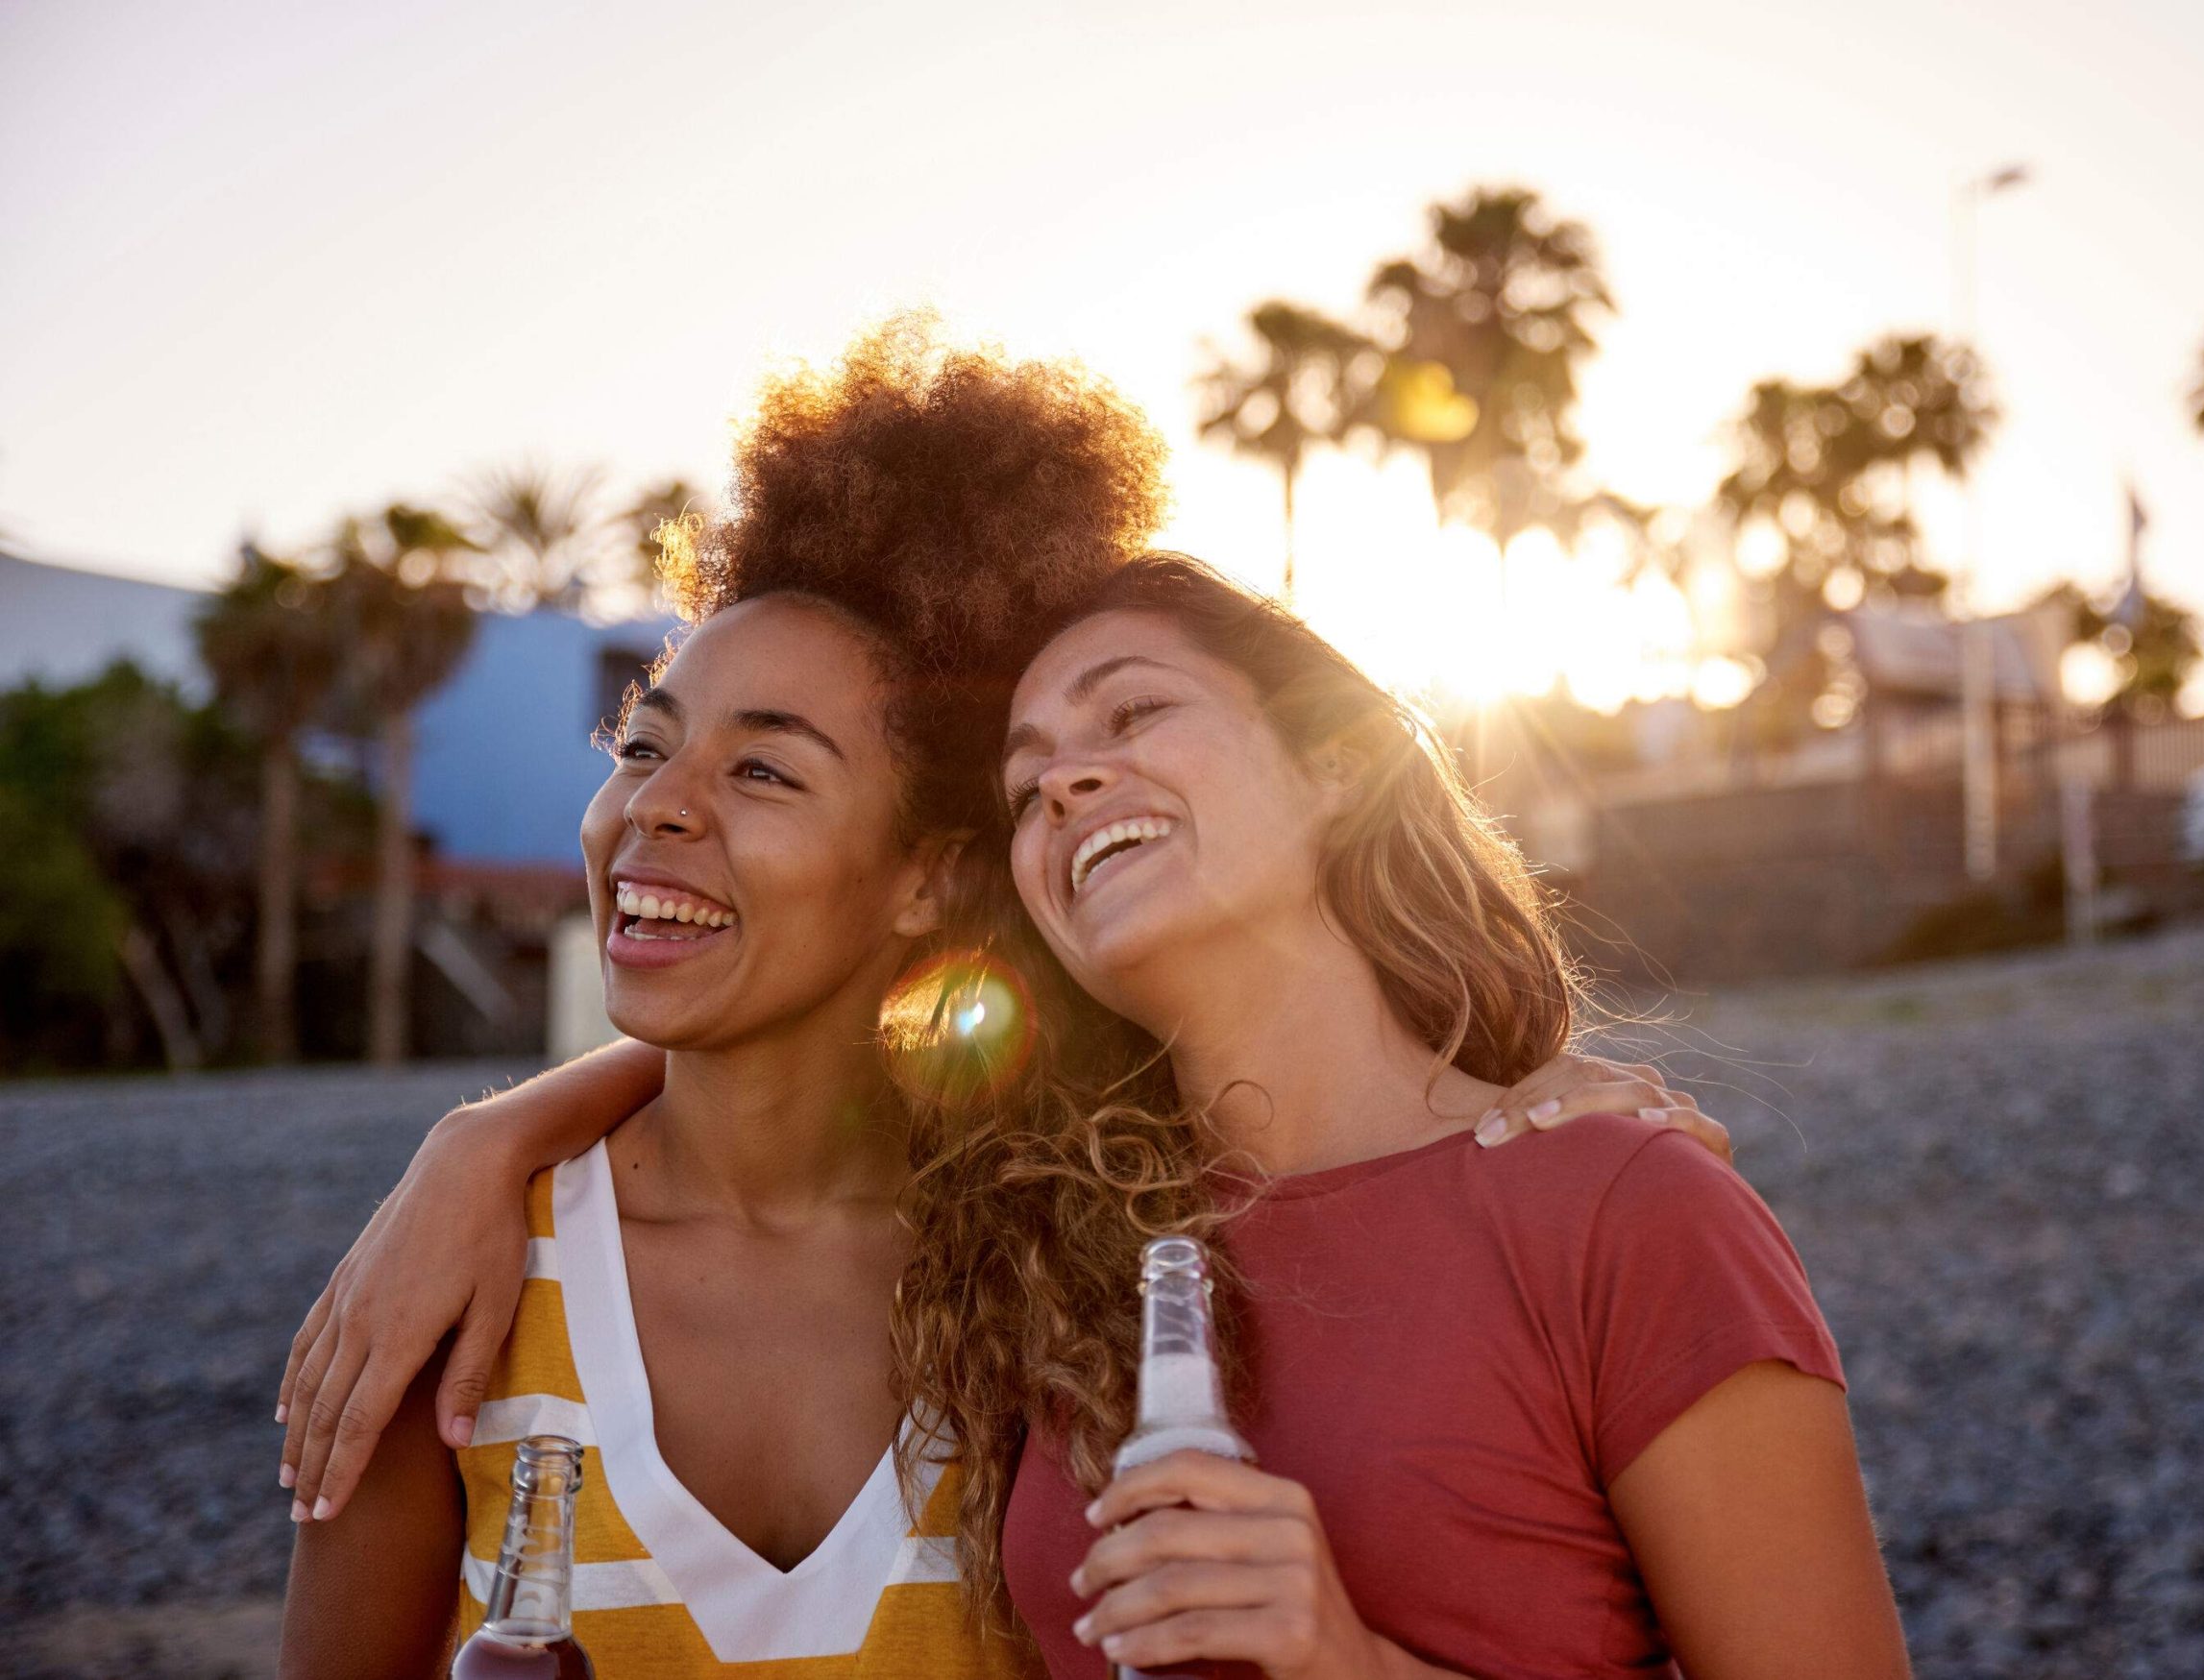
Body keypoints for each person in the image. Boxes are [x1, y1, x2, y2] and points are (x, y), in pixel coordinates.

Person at [273, 327, 1717, 1676]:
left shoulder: (1054, 1266)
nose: (658, 806)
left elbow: (1346, 1159)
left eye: (764, 769)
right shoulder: (457, 1290)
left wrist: (1542, 1118)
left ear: (930, 879)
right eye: (642, 746)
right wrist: (478, 1144)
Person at [950, 553, 1912, 1677]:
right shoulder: (1042, 1267)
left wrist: (1348, 1662)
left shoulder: (1628, 1212)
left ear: (1336, 764)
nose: (1066, 784)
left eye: (1134, 710)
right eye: (1027, 790)